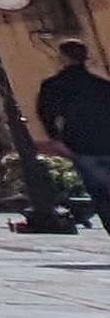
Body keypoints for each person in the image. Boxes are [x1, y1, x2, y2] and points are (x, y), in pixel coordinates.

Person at [42, 42, 110, 215]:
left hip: (82, 146)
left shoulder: (53, 86)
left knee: (101, 196)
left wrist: (56, 140)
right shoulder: (101, 85)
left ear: (63, 58)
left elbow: (47, 115)